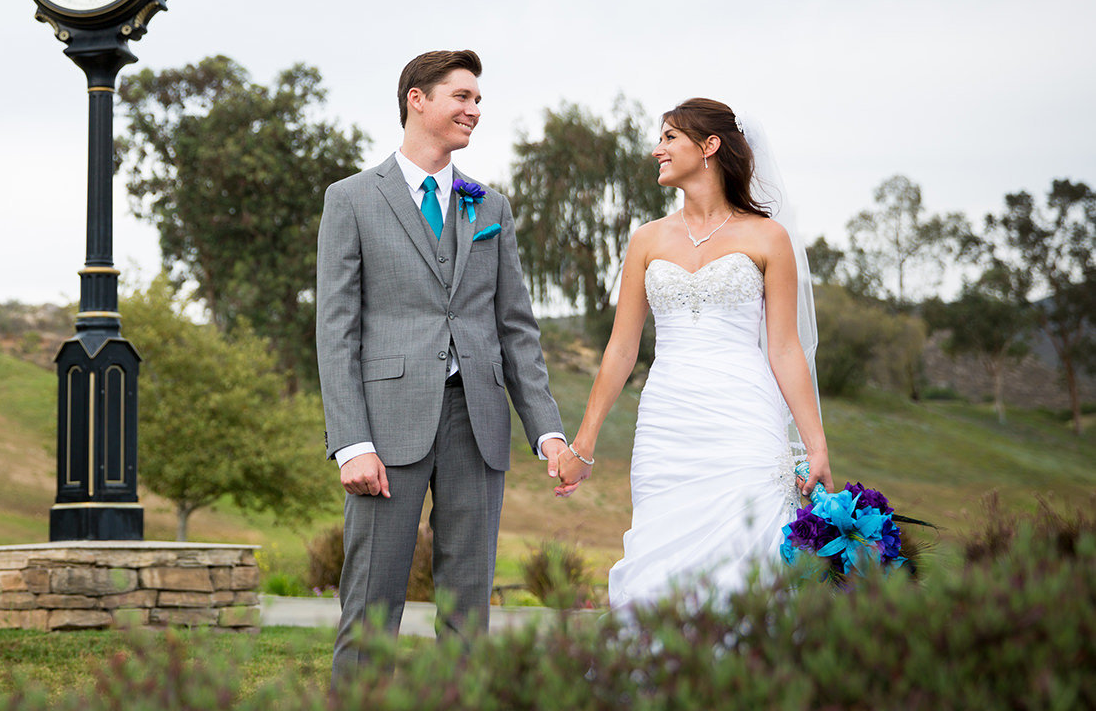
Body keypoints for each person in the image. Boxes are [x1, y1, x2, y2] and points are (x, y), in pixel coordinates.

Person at [317, 49, 567, 684]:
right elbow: (336, 330)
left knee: (468, 607)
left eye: (478, 100)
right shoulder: (351, 200)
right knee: (372, 602)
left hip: (477, 424)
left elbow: (516, 328)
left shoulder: (491, 207)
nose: (474, 110)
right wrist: (351, 443)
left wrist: (548, 431)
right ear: (417, 99)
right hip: (387, 426)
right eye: (462, 97)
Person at [555, 97, 833, 608]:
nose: (656, 149)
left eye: (669, 138)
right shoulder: (647, 240)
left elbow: (787, 348)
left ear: (709, 147)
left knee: (746, 558)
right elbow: (621, 349)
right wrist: (584, 444)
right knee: (661, 557)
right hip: (667, 421)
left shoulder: (768, 237)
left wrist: (815, 447)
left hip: (744, 417)